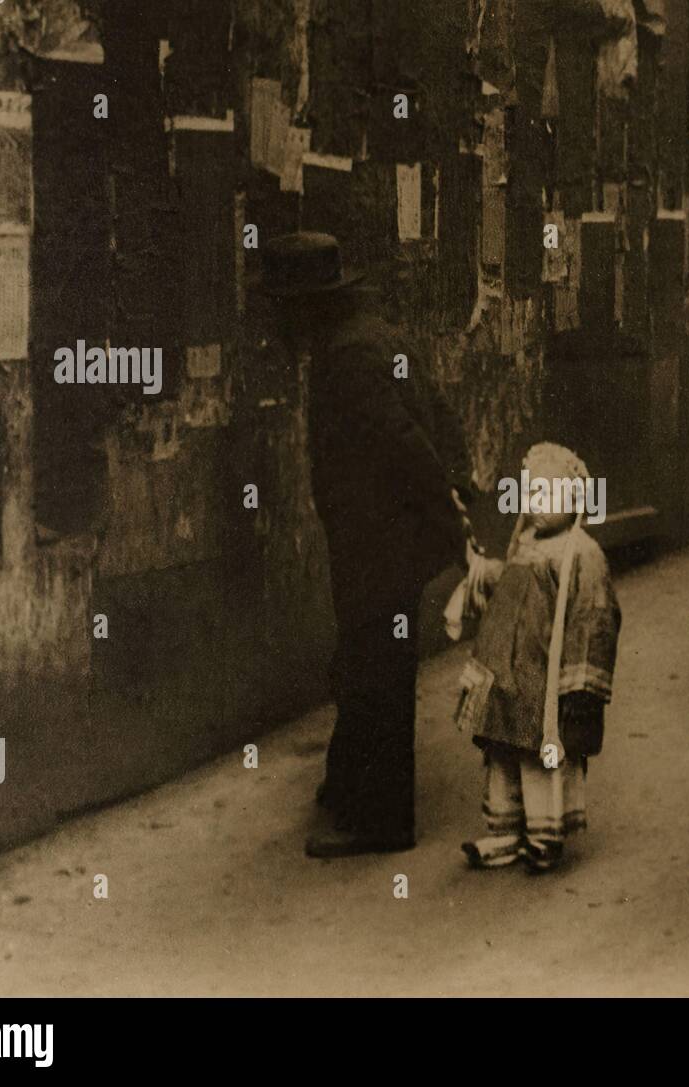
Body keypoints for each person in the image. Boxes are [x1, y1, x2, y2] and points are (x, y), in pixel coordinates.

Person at [261, 232, 473, 858]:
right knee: (366, 658)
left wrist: (449, 512)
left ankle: (383, 819)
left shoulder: (347, 357)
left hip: (378, 539)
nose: (278, 321)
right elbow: (437, 410)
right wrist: (453, 490)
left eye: (282, 306)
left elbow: (405, 439)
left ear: (307, 305)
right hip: (385, 535)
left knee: (377, 667)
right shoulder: (375, 335)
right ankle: (350, 783)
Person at [452, 443, 622, 873]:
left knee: (541, 754)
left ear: (575, 499)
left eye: (550, 495)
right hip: (506, 673)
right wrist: (481, 570)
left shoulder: (581, 553)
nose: (537, 505)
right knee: (501, 750)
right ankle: (505, 829)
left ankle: (545, 831)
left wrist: (581, 683)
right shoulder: (525, 544)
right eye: (531, 494)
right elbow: (509, 587)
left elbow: (594, 616)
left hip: (544, 678)